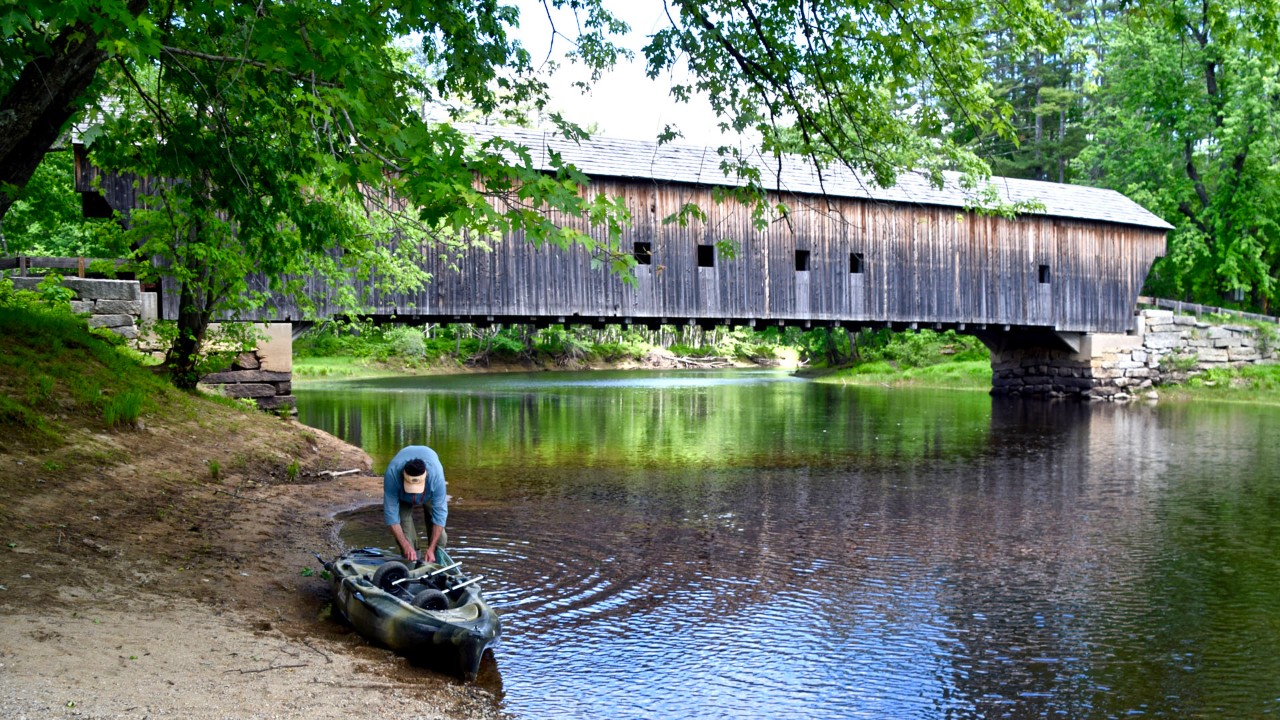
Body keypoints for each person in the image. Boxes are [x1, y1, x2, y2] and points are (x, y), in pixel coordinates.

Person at [383, 445, 448, 564]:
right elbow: (391, 517)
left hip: (428, 494)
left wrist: (431, 549)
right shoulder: (392, 475)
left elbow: (440, 518)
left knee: (440, 539)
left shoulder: (436, 478)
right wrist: (406, 545)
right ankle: (412, 564)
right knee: (406, 541)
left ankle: (436, 564)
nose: (414, 492)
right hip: (403, 496)